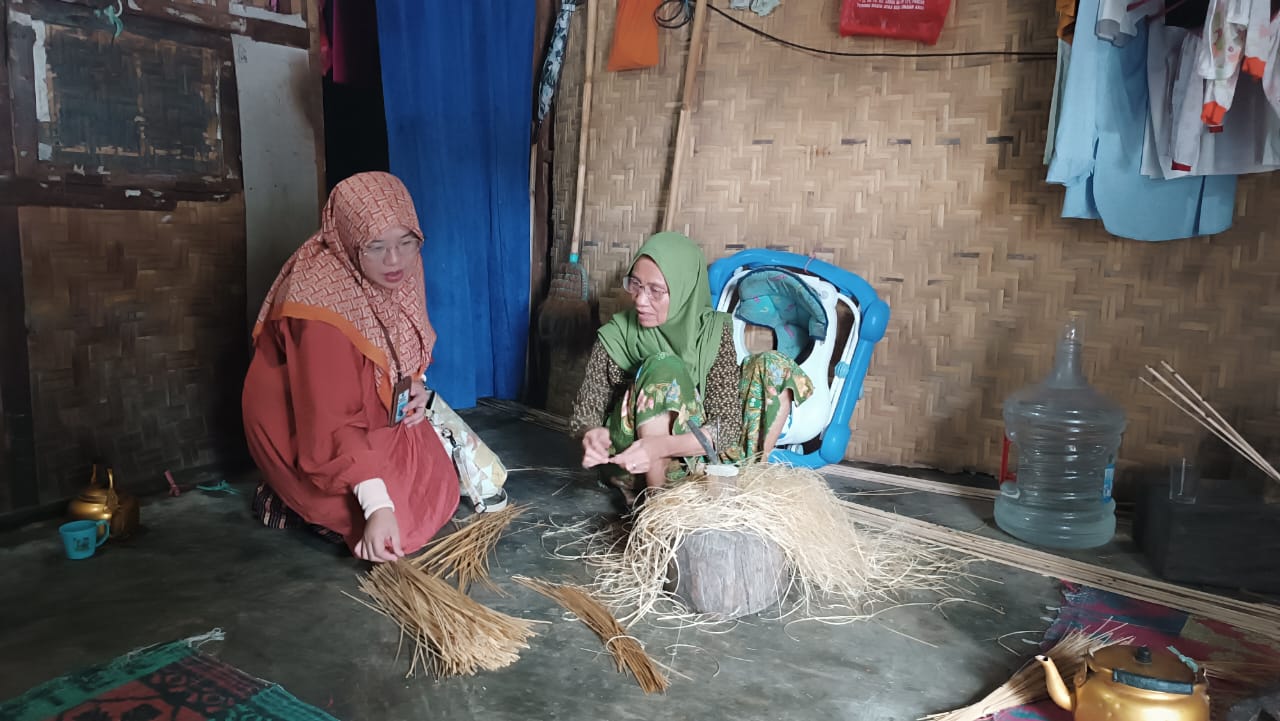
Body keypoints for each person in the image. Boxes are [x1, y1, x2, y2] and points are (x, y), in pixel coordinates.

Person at [242, 172, 459, 562]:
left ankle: (343, 495)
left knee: (440, 485)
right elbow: (329, 416)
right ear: (348, 240)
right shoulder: (320, 304)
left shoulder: (400, 267)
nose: (394, 260)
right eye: (376, 246)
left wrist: (415, 388)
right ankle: (283, 490)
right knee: (397, 526)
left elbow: (401, 347)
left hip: (364, 404)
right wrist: (377, 506)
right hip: (303, 424)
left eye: (406, 242)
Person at [570, 232, 815, 502]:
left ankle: (746, 483)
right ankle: (656, 505)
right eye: (635, 285)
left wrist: (661, 446)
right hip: (633, 459)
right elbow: (587, 410)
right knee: (663, 365)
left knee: (773, 366)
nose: (640, 299)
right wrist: (592, 434)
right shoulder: (617, 335)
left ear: (685, 290)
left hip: (695, 455)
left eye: (655, 291)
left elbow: (726, 425)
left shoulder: (712, 332)